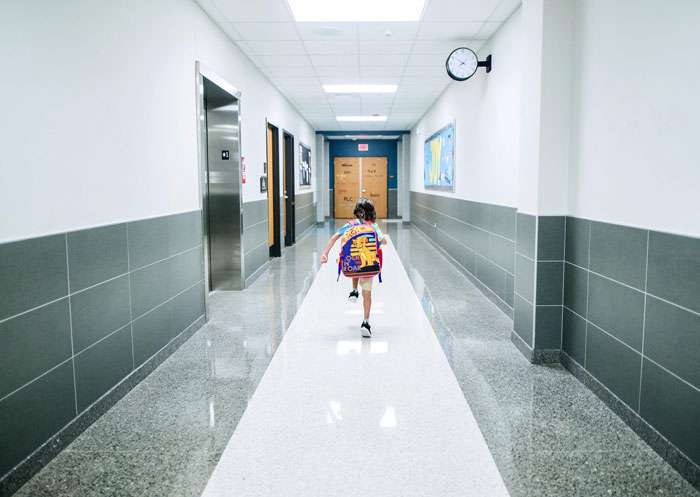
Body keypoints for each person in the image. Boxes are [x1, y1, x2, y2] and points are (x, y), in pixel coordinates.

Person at [320, 198, 387, 337]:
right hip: (369, 265)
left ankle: (354, 290)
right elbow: (384, 241)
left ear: (356, 212)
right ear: (372, 213)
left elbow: (333, 238)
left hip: (352, 265)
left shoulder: (350, 225)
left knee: (355, 263)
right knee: (367, 293)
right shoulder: (373, 226)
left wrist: (325, 254)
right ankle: (366, 322)